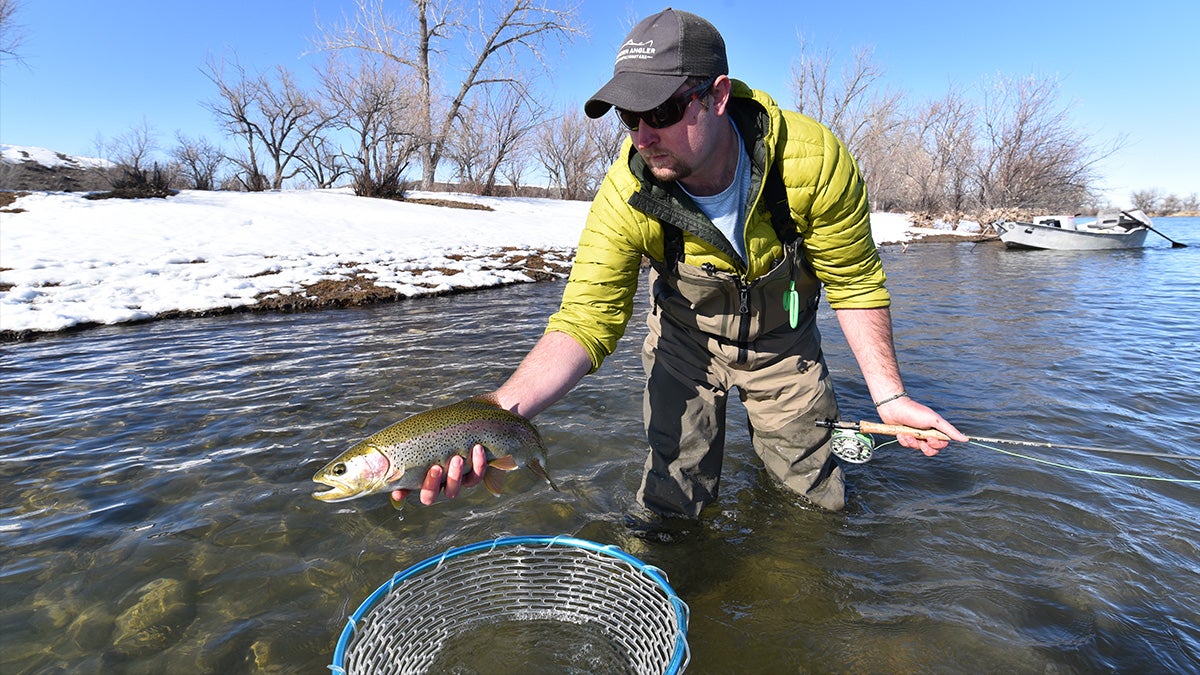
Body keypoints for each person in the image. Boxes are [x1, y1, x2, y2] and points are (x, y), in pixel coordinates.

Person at [395, 8, 966, 515]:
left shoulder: (812, 163)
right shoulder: (627, 192)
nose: (643, 136)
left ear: (717, 96)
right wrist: (491, 414)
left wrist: (889, 397)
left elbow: (855, 282)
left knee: (811, 502)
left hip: (784, 347)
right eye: (628, 117)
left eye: (661, 110)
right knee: (672, 500)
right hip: (684, 346)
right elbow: (584, 321)